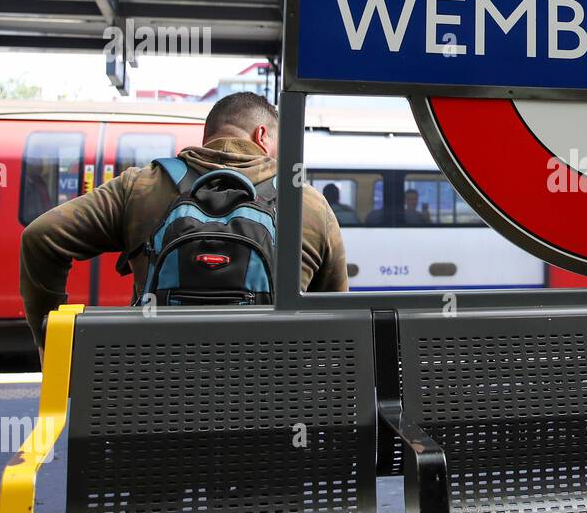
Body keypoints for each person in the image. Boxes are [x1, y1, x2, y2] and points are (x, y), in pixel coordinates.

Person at [20, 92, 348, 354]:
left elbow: (40, 236)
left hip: (154, 399)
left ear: (208, 137)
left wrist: (51, 341)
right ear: (262, 135)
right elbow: (336, 319)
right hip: (268, 402)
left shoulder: (140, 186)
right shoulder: (307, 203)